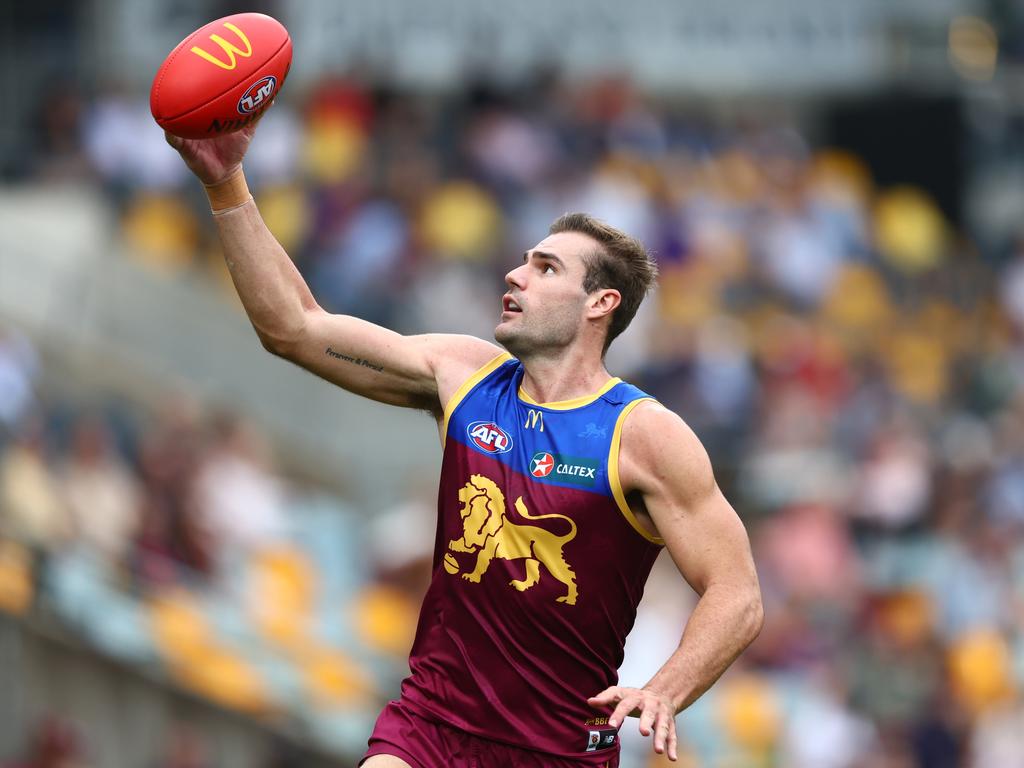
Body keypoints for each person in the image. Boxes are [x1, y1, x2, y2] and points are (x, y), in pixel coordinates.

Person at [165, 119, 763, 767]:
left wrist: (664, 690)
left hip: (557, 751)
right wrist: (224, 182)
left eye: (545, 267)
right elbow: (295, 328)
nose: (515, 274)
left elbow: (737, 594)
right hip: (430, 724)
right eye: (523, 260)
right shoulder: (464, 376)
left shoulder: (643, 435)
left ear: (600, 303)